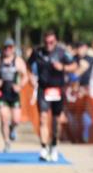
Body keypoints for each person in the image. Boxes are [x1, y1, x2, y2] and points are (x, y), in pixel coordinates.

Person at [27, 30, 77, 162]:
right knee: (43, 118)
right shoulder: (37, 52)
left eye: (51, 42)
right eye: (46, 42)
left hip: (57, 89)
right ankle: (43, 148)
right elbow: (28, 65)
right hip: (43, 89)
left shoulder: (62, 52)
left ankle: (54, 145)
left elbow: (74, 65)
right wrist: (30, 77)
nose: (48, 44)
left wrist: (63, 68)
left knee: (56, 120)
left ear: (55, 42)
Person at [0, 39, 28, 152]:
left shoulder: (18, 61)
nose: (7, 50)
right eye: (6, 47)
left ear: (13, 48)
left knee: (16, 120)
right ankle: (7, 142)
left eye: (10, 47)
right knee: (4, 118)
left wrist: (20, 86)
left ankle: (12, 128)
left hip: (14, 94)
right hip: (2, 94)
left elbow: (25, 76)